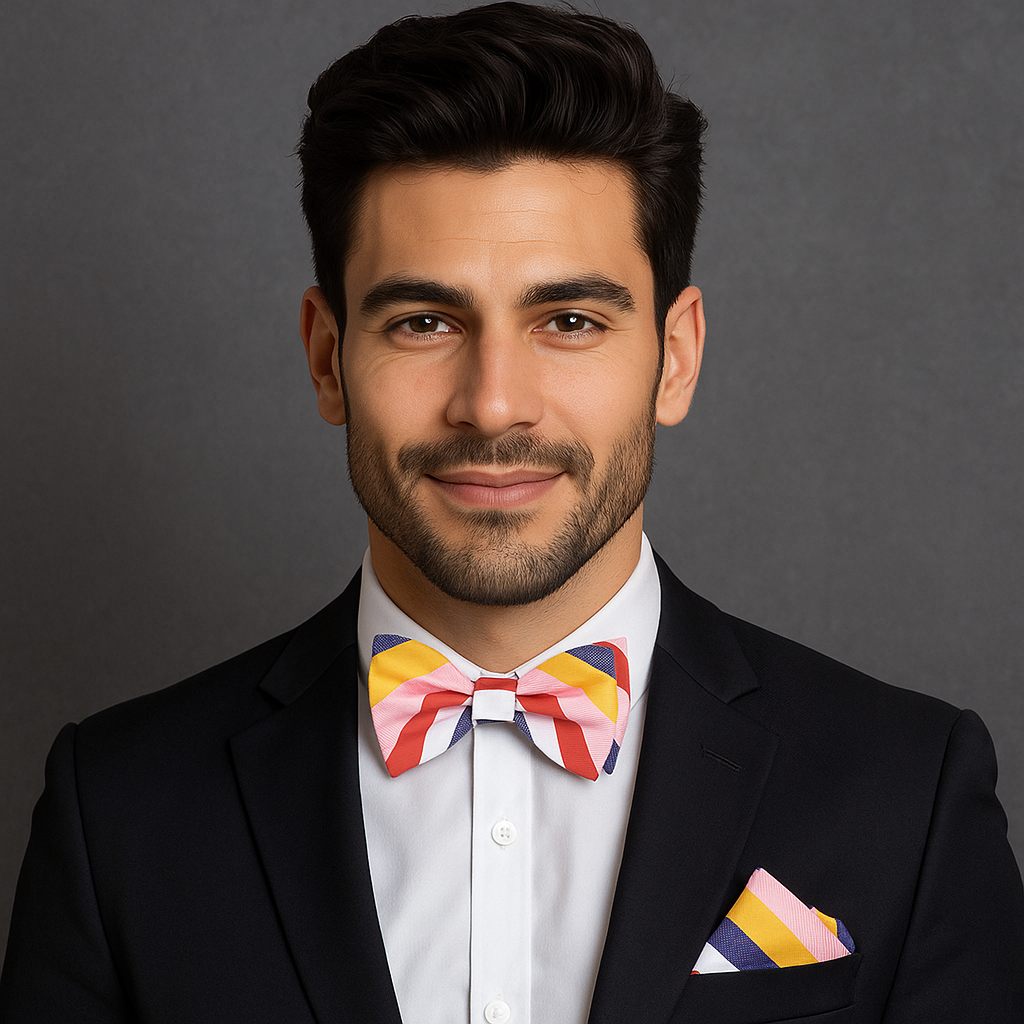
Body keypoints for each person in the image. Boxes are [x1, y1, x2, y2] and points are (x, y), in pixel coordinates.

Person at [2, 2, 1021, 1021]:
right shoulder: (119, 811)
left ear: (676, 356)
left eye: (569, 320)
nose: (493, 402)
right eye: (424, 320)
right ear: (326, 359)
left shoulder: (907, 794)